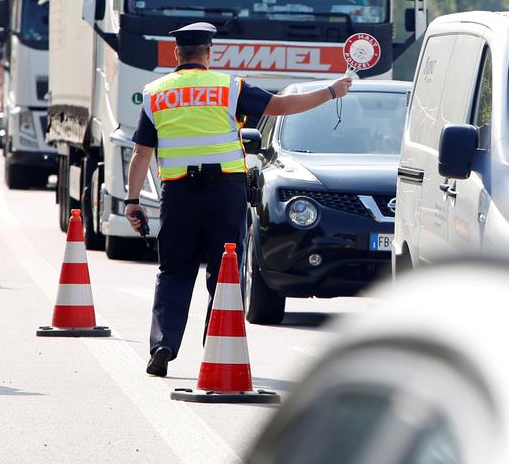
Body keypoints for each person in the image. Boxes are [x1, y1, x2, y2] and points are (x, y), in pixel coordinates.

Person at [123, 22, 352, 377]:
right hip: (224, 194)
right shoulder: (229, 87)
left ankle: (163, 345)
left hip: (178, 195)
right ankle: (215, 350)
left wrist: (132, 200)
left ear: (176, 54)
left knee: (173, 271)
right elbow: (279, 106)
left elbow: (141, 154)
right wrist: (330, 92)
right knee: (225, 273)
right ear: (209, 54)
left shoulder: (156, 92)